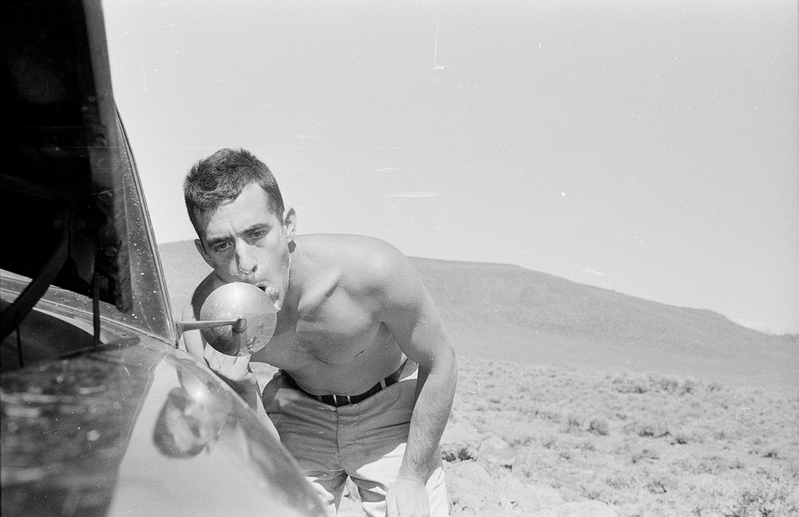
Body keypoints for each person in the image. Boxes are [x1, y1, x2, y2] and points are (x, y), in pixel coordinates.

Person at [180, 148, 457, 517]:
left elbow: (441, 361)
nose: (245, 263)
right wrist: (243, 389)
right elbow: (259, 459)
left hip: (389, 413)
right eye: (222, 245)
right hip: (297, 414)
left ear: (288, 224)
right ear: (204, 252)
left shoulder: (372, 271)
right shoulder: (205, 321)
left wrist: (411, 479)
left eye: (257, 233)